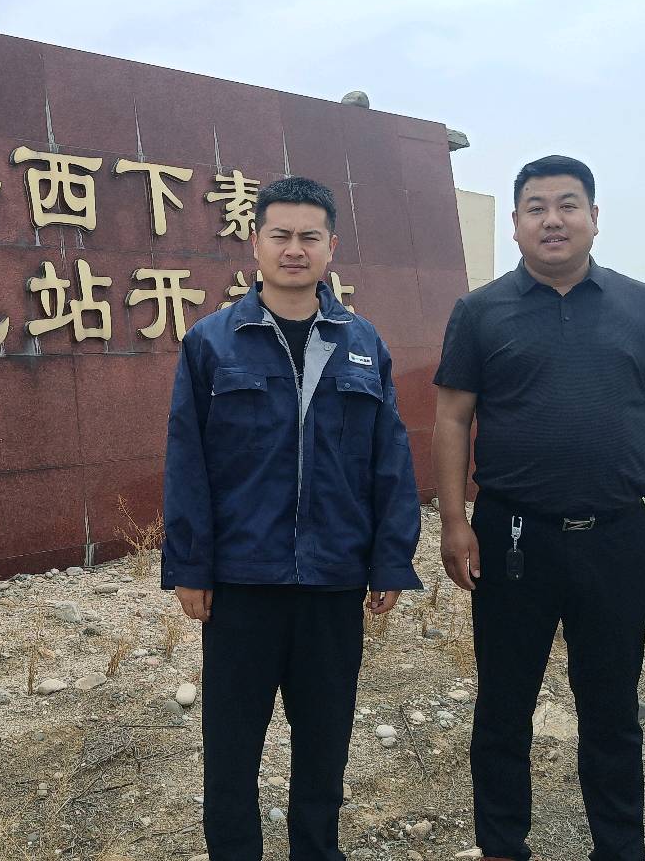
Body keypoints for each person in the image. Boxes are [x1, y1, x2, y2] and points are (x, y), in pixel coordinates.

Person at [431, 155, 645, 861]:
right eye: (537, 207)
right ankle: (501, 845)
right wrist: (455, 522)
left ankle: (619, 847)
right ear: (517, 224)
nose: (553, 220)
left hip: (616, 537)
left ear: (594, 218)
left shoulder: (642, 306)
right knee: (503, 705)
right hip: (512, 537)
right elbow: (452, 418)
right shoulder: (480, 311)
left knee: (611, 709)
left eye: (568, 205)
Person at [162, 175, 423, 861]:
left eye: (310, 237)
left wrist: (390, 559)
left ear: (331, 247)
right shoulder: (213, 343)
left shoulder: (361, 343)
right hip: (242, 584)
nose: (294, 249)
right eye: (280, 235)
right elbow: (188, 462)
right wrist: (191, 566)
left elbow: (389, 460)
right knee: (231, 750)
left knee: (324, 747)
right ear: (255, 243)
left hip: (333, 582)